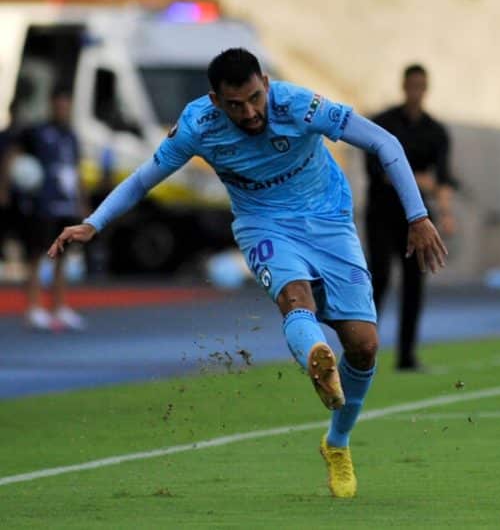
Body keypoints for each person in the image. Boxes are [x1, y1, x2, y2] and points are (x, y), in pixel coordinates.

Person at [48, 48, 448, 498]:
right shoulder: (198, 125)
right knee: (295, 299)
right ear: (215, 100)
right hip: (264, 224)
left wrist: (418, 216)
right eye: (236, 105)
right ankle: (316, 354)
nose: (251, 112)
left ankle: (336, 442)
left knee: (365, 345)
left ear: (266, 81)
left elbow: (384, 143)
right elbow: (144, 178)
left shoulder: (298, 104)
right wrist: (93, 223)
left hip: (329, 220)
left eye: (256, 97)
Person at [365, 64, 456, 372]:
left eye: (421, 85)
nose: (416, 91)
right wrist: (420, 180)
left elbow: (442, 179)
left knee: (415, 283)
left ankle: (406, 356)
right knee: (379, 279)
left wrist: (445, 214)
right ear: (404, 86)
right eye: (411, 85)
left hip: (415, 218)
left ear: (426, 88)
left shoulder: (436, 131)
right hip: (382, 213)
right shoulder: (382, 125)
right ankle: (363, 350)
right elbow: (381, 173)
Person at [15, 86, 88, 331]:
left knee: (62, 259)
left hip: (65, 205)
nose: (62, 109)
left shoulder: (72, 136)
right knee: (36, 255)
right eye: (58, 105)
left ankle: (59, 307)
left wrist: (82, 203)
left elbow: (77, 171)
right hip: (43, 204)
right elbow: (15, 155)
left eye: (66, 105)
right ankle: (34, 307)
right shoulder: (37, 132)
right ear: (52, 105)